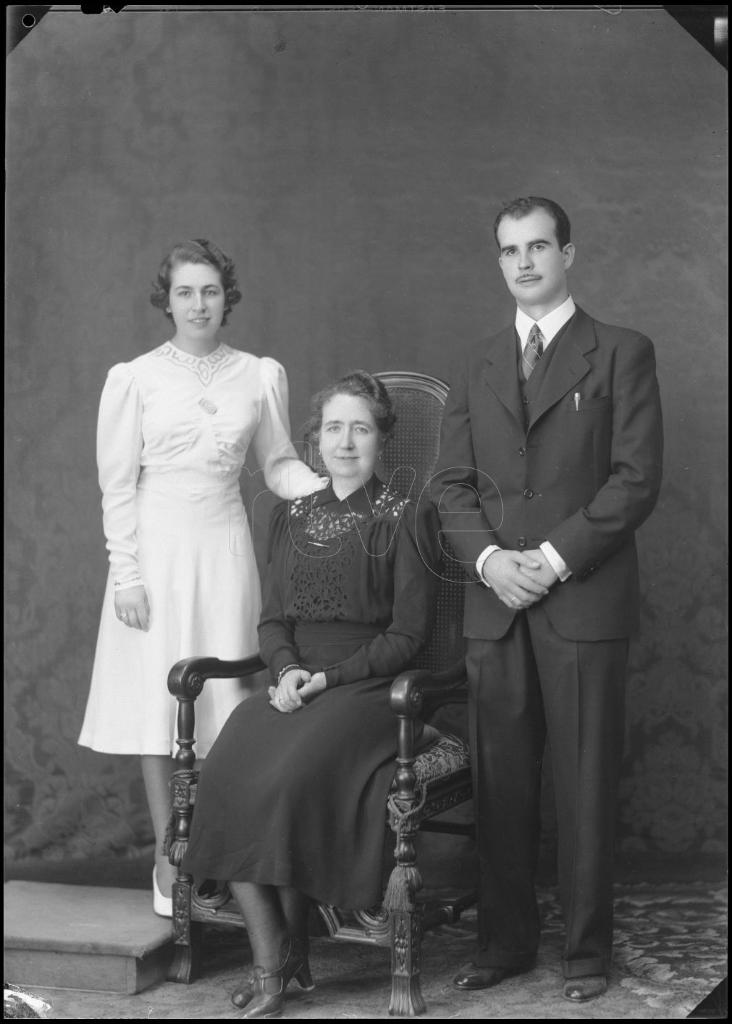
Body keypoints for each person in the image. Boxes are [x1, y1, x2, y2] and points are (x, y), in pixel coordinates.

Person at [432, 197, 663, 1002]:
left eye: (538, 246)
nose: (524, 262)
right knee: (501, 782)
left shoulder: (622, 351)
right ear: (499, 261)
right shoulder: (476, 360)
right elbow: (451, 486)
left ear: (568, 253)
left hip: (584, 600)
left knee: (584, 783)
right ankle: (504, 943)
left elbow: (636, 479)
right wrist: (492, 560)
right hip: (495, 604)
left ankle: (586, 953)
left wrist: (554, 559)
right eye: (509, 250)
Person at [182, 371, 441, 1019]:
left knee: (290, 777)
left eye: (361, 429)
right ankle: (282, 951)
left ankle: (274, 966)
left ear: (382, 439)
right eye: (333, 428)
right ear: (315, 440)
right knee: (228, 773)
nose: (346, 442)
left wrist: (328, 679)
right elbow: (273, 621)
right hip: (295, 683)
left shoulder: (406, 516)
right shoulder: (289, 516)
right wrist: (288, 670)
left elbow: (408, 635)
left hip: (369, 688)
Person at [78, 239, 326, 915]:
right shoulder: (135, 378)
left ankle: (215, 849)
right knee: (157, 707)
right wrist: (125, 575)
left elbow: (277, 464)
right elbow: (117, 486)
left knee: (227, 705)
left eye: (210, 291)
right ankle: (170, 854)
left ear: (227, 298)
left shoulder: (257, 374)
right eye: (185, 292)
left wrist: (330, 488)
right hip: (156, 554)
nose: (198, 305)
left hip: (223, 550)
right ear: (167, 300)